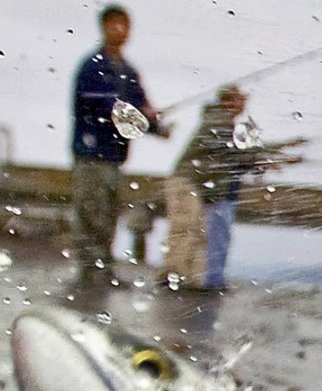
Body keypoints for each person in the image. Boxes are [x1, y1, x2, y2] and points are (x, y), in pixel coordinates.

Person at [167, 85, 303, 292]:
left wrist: (282, 151)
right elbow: (239, 155)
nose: (243, 104)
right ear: (228, 101)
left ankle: (189, 280)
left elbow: (240, 155)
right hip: (188, 182)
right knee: (186, 230)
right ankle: (173, 278)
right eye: (240, 99)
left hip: (197, 184)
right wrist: (280, 154)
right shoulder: (218, 121)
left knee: (195, 232)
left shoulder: (223, 122)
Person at [70, 4, 166, 288]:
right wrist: (141, 115)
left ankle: (102, 270)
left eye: (124, 26)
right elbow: (104, 106)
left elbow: (140, 108)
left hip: (115, 157)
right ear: (104, 27)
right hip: (90, 155)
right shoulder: (92, 66)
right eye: (114, 25)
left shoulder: (130, 71)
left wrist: (157, 125)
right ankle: (89, 273)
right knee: (91, 212)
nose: (120, 31)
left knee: (110, 213)